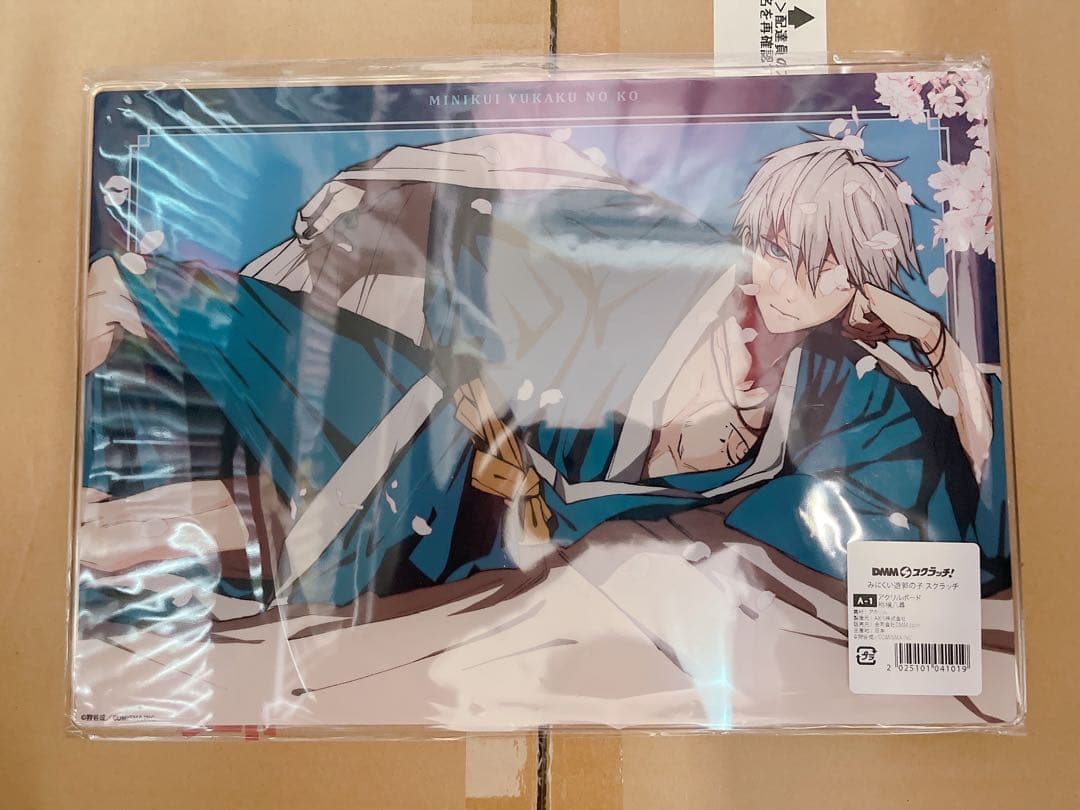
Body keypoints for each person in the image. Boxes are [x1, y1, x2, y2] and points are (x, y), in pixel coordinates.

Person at [79, 130, 1010, 617]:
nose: (787, 278)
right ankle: (129, 310)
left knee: (282, 537)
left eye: (827, 265)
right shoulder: (667, 263)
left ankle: (100, 538)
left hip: (485, 525)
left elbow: (962, 544)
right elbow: (495, 255)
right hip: (443, 430)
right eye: (776, 244)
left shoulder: (845, 390)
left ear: (860, 280)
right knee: (342, 406)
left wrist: (937, 345)